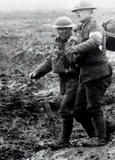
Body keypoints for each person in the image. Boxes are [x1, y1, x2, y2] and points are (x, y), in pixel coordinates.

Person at [65, 0, 113, 147]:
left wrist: (75, 49)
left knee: (93, 107)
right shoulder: (81, 28)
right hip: (85, 75)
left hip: (97, 74)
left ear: (91, 12)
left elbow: (95, 40)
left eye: (82, 11)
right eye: (77, 11)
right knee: (78, 110)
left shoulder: (94, 26)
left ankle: (101, 138)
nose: (78, 13)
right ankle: (96, 135)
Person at [29, 16, 81, 149]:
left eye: (64, 29)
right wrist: (37, 73)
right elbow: (50, 60)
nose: (61, 32)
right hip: (65, 80)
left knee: (65, 109)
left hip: (77, 79)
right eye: (59, 29)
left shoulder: (75, 42)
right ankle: (101, 131)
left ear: (70, 29)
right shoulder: (58, 42)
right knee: (78, 110)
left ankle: (64, 141)